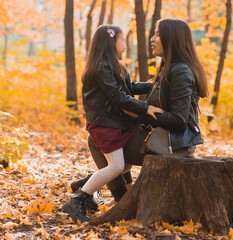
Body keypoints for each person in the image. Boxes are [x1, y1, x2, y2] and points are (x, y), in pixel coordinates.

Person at [71, 18, 209, 204]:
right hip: (161, 134)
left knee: (101, 144)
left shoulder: (181, 72)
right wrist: (142, 109)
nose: (152, 39)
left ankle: (110, 195)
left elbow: (179, 120)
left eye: (158, 34)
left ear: (172, 38)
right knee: (102, 142)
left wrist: (140, 114)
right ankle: (106, 191)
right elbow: (125, 93)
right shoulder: (167, 68)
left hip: (174, 144)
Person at [61, 25, 164, 222]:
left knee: (123, 165)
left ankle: (85, 186)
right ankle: (76, 201)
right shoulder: (101, 68)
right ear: (111, 42)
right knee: (117, 167)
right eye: (122, 41)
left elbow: (130, 88)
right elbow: (118, 96)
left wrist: (154, 84)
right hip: (105, 125)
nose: (125, 45)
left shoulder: (116, 66)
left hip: (113, 123)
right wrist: (145, 108)